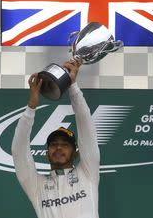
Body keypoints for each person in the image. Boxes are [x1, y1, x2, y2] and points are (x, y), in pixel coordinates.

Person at [12, 60, 100, 218]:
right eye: (53, 144)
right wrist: (31, 106)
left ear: (76, 154)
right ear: (46, 154)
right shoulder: (37, 187)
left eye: (65, 144)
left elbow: (86, 126)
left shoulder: (88, 172)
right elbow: (18, 150)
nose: (58, 148)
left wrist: (73, 86)